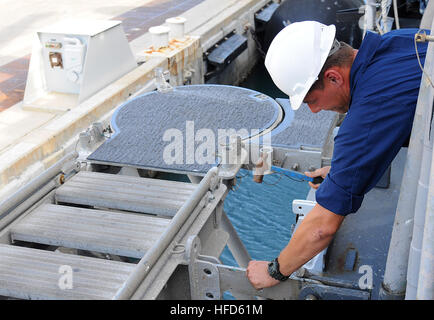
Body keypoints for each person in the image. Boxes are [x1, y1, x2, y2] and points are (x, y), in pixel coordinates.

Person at [246, 20, 429, 289]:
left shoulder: (367, 112)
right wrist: (343, 170)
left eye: (311, 100)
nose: (314, 111)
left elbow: (322, 227)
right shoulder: (401, 41)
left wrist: (274, 271)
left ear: (333, 77)